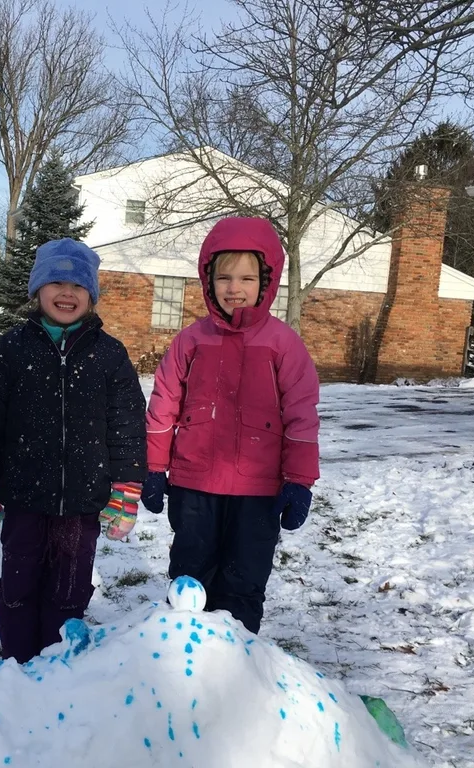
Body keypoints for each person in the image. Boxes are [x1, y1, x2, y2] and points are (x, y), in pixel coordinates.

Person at [0, 238, 147, 663]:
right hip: (24, 498)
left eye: (78, 285)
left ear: (92, 295)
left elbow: (127, 426)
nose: (67, 293)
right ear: (37, 290)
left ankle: (57, 666)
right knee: (18, 584)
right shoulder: (11, 349)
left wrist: (127, 488)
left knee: (70, 589)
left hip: (82, 504)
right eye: (57, 282)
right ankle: (18, 662)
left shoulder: (109, 355)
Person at [141, 217, 320, 635]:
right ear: (207, 280)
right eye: (223, 276)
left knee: (243, 582)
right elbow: (163, 405)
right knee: (189, 579)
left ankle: (234, 666)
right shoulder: (190, 340)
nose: (233, 287)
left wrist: (299, 480)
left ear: (267, 281)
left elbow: (302, 415)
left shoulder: (283, 344)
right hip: (194, 485)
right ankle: (185, 659)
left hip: (258, 492)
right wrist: (153, 468)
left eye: (245, 277)